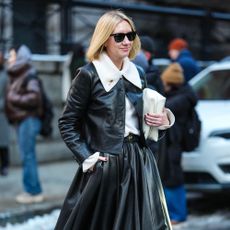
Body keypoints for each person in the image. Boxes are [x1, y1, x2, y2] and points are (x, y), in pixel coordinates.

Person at [55, 10, 174, 230]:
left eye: (131, 35)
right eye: (119, 36)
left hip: (140, 161)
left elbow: (145, 119)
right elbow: (67, 123)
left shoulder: (138, 73)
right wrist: (87, 158)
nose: (127, 41)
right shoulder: (89, 74)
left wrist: (163, 119)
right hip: (106, 165)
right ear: (104, 39)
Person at [158, 63, 198, 225]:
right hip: (171, 142)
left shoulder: (181, 99)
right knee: (169, 176)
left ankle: (178, 214)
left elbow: (165, 109)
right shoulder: (182, 94)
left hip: (174, 142)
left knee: (173, 177)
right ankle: (174, 213)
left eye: (166, 83)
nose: (164, 86)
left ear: (172, 83)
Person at [5, 45, 44, 204]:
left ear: (20, 57)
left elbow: (34, 97)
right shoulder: (18, 74)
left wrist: (13, 98)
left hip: (28, 120)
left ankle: (33, 192)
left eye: (12, 56)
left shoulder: (28, 74)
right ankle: (32, 190)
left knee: (28, 156)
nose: (9, 59)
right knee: (27, 156)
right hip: (22, 120)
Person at [0, 50, 10, 176]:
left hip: (2, 113)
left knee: (3, 141)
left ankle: (5, 166)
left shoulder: (6, 74)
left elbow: (8, 94)